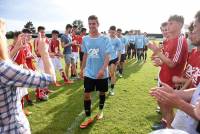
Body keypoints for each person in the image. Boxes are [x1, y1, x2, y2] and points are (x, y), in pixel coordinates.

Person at [0, 18, 55, 134]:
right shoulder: (5, 70)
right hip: (13, 129)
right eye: (3, 34)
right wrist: (44, 53)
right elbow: (50, 79)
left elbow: (6, 62)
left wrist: (16, 49)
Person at [149, 15, 188, 128]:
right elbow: (167, 60)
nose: (168, 25)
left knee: (167, 106)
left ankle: (169, 128)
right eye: (168, 23)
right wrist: (160, 62)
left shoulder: (180, 40)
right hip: (164, 77)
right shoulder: (169, 40)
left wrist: (157, 51)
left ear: (180, 25)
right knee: (161, 103)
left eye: (171, 23)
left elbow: (172, 64)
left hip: (171, 80)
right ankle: (167, 124)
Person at [79, 15, 112, 128]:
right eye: (90, 24)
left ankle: (100, 110)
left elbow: (108, 55)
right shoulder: (85, 39)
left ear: (98, 24)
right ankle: (88, 117)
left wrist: (103, 69)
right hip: (89, 72)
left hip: (102, 73)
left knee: (102, 92)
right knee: (86, 94)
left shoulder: (105, 38)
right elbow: (85, 54)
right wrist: (82, 69)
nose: (92, 26)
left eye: (94, 23)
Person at [108, 26, 122, 95]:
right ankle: (108, 81)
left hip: (114, 59)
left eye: (114, 32)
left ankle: (112, 89)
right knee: (108, 73)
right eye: (111, 32)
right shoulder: (106, 38)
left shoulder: (118, 40)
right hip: (106, 59)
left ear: (115, 32)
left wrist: (119, 59)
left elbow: (119, 50)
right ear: (109, 31)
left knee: (112, 73)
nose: (112, 33)